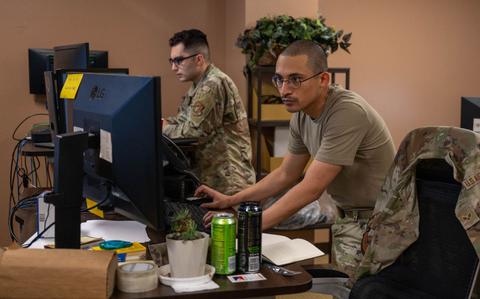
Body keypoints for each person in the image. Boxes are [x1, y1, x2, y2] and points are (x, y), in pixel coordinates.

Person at [197, 40, 396, 277]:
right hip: (350, 218)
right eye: (279, 79)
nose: (284, 90)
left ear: (323, 80)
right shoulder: (301, 118)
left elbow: (311, 188)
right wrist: (232, 200)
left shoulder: (347, 112)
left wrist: (249, 225)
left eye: (295, 79)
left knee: (356, 292)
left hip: (380, 223)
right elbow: (285, 175)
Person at [163, 29, 255, 195]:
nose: (173, 67)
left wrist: (161, 129)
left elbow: (193, 131)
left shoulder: (212, 84)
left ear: (199, 59)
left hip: (229, 183)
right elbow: (183, 120)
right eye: (171, 61)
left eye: (178, 60)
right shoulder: (198, 85)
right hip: (214, 178)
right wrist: (163, 123)